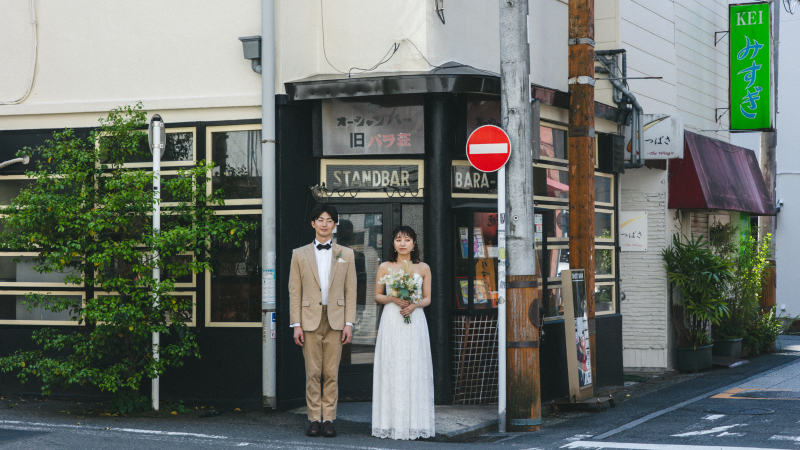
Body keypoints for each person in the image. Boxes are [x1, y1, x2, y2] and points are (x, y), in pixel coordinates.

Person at [289, 204, 357, 438]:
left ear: (335, 225)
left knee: (331, 372)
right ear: (313, 223)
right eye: (320, 219)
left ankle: (328, 419)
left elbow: (351, 291)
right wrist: (296, 324)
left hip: (336, 320)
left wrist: (349, 322)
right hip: (309, 321)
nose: (325, 223)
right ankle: (313, 419)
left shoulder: (346, 254)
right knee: (313, 372)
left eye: (329, 220)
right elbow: (294, 291)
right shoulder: (299, 254)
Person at [372, 226, 435, 440]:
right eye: (398, 239)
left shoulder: (423, 268)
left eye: (407, 239)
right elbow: (377, 297)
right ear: (393, 243)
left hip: (414, 319)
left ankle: (415, 423)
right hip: (392, 318)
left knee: (414, 366)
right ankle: (390, 423)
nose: (402, 243)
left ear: (414, 243)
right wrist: (393, 298)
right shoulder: (385, 267)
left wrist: (415, 305)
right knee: (392, 365)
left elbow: (427, 298)